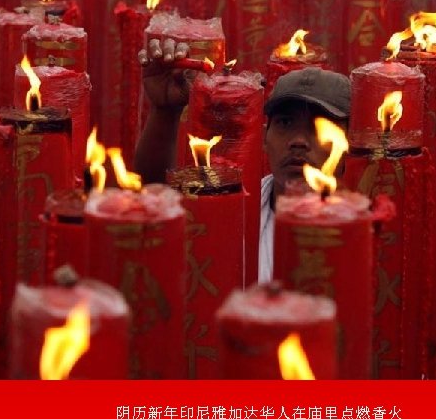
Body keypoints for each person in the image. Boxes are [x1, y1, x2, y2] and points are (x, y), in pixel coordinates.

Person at [136, 39, 351, 283]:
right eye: (285, 123)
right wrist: (164, 113)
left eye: (319, 127)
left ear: (350, 142)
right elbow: (154, 206)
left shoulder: (367, 224)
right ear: (264, 137)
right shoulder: (235, 209)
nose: (298, 141)